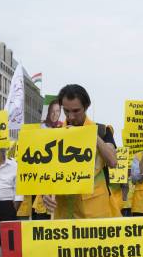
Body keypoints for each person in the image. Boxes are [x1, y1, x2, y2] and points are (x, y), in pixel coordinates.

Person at [43, 84, 117, 219]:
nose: (71, 116)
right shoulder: (53, 134)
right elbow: (46, 171)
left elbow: (112, 161)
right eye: (66, 111)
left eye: (76, 111)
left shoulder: (102, 131)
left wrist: (90, 133)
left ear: (86, 107)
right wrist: (45, 193)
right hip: (64, 213)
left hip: (95, 214)